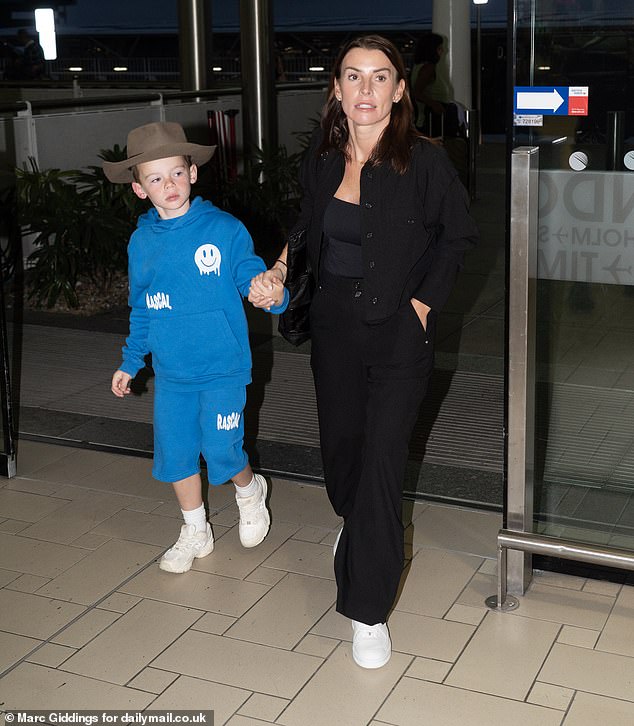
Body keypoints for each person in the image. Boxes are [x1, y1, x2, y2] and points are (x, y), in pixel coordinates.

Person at [250, 35, 478, 669]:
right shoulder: (323, 160)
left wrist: (423, 307)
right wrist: (279, 264)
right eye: (354, 77)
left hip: (400, 332)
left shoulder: (426, 163)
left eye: (381, 78)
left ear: (401, 90)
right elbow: (307, 223)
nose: (367, 90)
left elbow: (459, 237)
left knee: (381, 463)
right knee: (343, 456)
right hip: (334, 330)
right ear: (337, 90)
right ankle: (357, 532)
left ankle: (367, 608)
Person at [103, 121, 288, 574]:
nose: (169, 184)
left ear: (193, 173)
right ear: (139, 188)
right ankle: (195, 529)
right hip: (173, 374)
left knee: (223, 450)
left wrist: (271, 291)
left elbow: (252, 277)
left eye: (176, 173)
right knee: (176, 453)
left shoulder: (223, 229)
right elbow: (142, 308)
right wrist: (131, 362)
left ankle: (249, 490)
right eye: (155, 178)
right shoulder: (141, 242)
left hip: (224, 368)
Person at [411, 33, 459, 138]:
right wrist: (434, 104)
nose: (442, 51)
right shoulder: (428, 68)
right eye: (439, 48)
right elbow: (417, 92)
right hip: (433, 118)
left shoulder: (420, 66)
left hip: (430, 117)